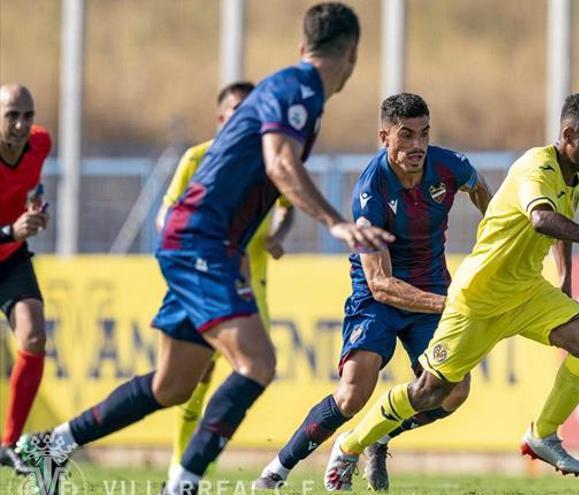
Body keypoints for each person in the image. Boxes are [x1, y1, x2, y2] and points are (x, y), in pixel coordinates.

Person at [21, 4, 392, 494]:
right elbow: (280, 163)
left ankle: (50, 446)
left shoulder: (294, 91)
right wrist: (337, 223)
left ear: (305, 46)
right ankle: (183, 485)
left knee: (171, 386)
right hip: (201, 238)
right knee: (257, 364)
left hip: (199, 239)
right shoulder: (297, 89)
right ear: (354, 56)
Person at [323, 92, 579, 489]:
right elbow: (543, 219)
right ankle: (351, 446)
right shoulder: (536, 167)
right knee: (430, 392)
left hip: (526, 292)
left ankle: (543, 434)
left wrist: (564, 281)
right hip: (477, 298)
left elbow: (561, 221)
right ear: (568, 135)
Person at [253, 93, 492, 491]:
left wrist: (496, 238)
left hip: (431, 287)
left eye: (424, 134)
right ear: (385, 137)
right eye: (406, 135)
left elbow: (484, 192)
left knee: (453, 393)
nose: (418, 145)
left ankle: (376, 436)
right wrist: (449, 304)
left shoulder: (449, 166)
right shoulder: (372, 191)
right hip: (379, 296)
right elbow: (381, 283)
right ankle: (275, 472)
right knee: (353, 391)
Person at [155, 81, 295, 481]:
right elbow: (166, 216)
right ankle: (183, 464)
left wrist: (277, 236)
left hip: (252, 289)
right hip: (203, 282)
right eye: (236, 110)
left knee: (252, 371)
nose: (243, 117)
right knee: (192, 382)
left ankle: (196, 464)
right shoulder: (197, 158)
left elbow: (287, 205)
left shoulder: (269, 162)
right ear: (221, 118)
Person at [0, 83, 51, 476]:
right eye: (11, 115)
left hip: (11, 259)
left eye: (27, 115)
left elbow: (33, 184)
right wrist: (9, 232)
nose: (20, 124)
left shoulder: (40, 143)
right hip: (7, 242)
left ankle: (9, 443)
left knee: (33, 336)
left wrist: (36, 210)